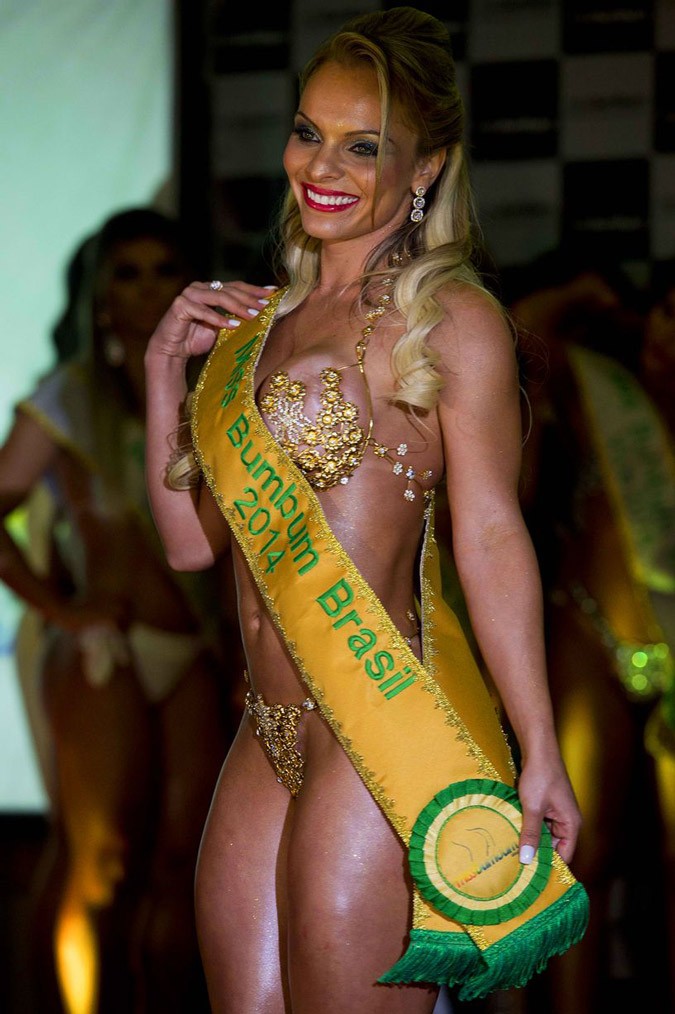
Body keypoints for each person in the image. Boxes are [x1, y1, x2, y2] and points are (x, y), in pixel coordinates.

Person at [144, 9, 586, 1012]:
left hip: (376, 728)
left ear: (424, 169)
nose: (321, 166)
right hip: (265, 732)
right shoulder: (253, 330)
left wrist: (539, 745)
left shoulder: (446, 319)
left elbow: (490, 536)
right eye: (309, 132)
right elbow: (188, 546)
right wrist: (164, 369)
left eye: (363, 145)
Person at [0, 208, 230, 1013]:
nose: (145, 289)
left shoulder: (219, 396)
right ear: (98, 294)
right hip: (108, 651)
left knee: (183, 864)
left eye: (163, 269)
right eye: (125, 273)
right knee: (100, 863)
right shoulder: (67, 400)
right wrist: (61, 610)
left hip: (197, 648)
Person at [511, 256, 675, 1012]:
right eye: (668, 311)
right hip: (591, 637)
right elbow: (515, 340)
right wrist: (579, 291)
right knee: (581, 853)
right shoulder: (598, 387)